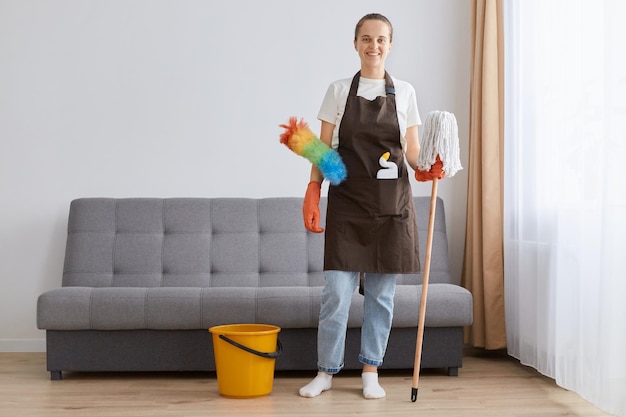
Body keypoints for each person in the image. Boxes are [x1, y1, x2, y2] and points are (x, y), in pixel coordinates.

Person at [298, 13, 443, 399]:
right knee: (335, 295)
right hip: (347, 204)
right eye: (366, 38)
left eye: (381, 39)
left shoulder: (406, 92)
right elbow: (321, 147)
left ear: (390, 44)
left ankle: (370, 372)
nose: (373, 45)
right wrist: (313, 189)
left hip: (391, 207)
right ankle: (326, 372)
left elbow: (410, 152)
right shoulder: (338, 90)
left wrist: (425, 169)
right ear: (355, 43)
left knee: (381, 296)